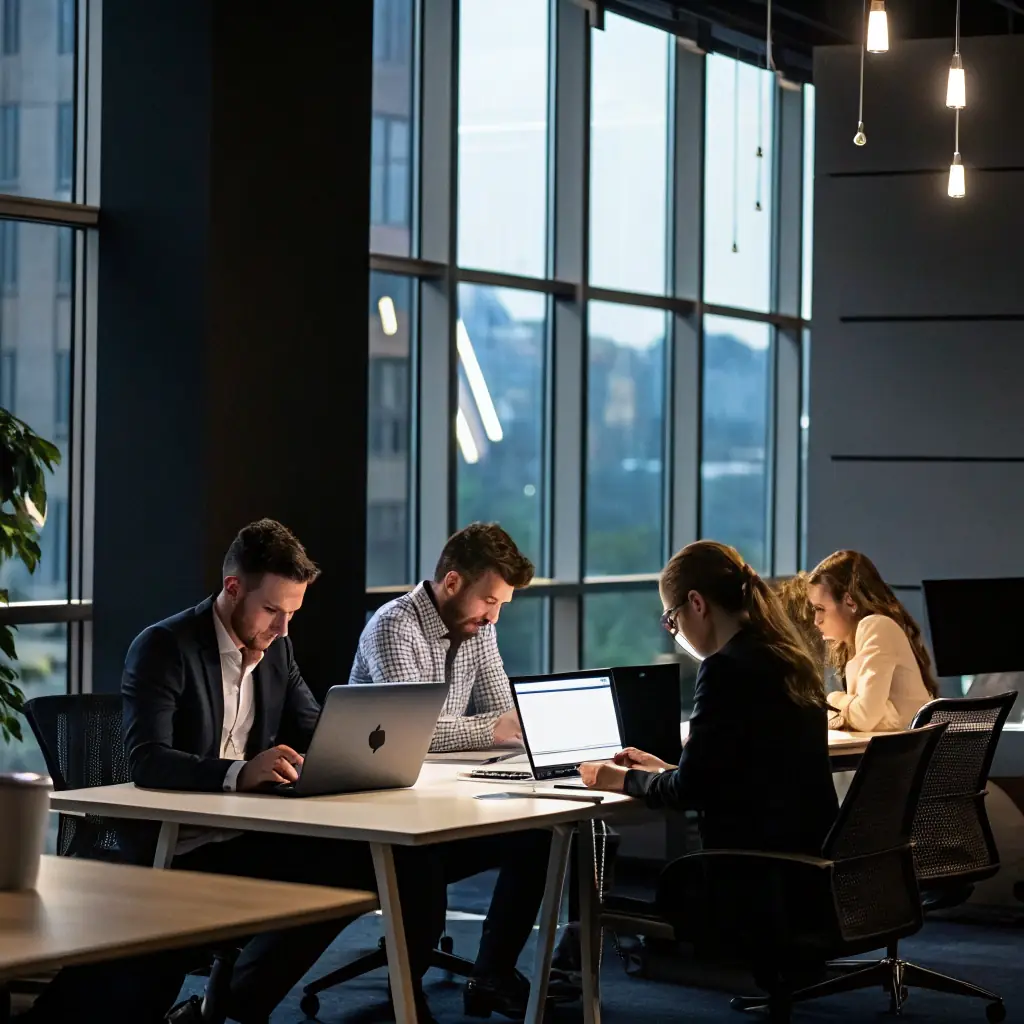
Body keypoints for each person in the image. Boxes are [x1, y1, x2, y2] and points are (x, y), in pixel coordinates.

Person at [24, 520, 431, 1024]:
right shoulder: (165, 647)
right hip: (174, 847)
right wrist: (239, 772)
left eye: (292, 614)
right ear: (233, 588)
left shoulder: (277, 648)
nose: (283, 628)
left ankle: (231, 1006)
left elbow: (314, 729)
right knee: (145, 969)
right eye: (272, 611)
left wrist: (349, 759)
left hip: (244, 834)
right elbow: (148, 759)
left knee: (363, 865)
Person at [350, 521, 577, 1017]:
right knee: (422, 869)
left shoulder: (478, 630)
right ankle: (405, 994)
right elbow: (413, 734)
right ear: (452, 582)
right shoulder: (394, 627)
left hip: (443, 800)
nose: (494, 616)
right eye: (489, 600)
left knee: (540, 837)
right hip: (386, 812)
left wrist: (511, 729)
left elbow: (502, 712)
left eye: (501, 605)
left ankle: (491, 975)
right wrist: (494, 728)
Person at [579, 540, 839, 861]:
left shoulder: (724, 669)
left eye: (672, 619)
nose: (675, 631)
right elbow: (745, 776)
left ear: (697, 603)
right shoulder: (790, 658)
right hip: (809, 861)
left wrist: (620, 779)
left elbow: (690, 792)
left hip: (752, 864)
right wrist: (666, 770)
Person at [807, 549, 937, 732]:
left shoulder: (876, 626)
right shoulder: (856, 639)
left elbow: (863, 717)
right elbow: (864, 717)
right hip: (897, 745)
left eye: (820, 608)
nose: (816, 620)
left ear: (850, 602)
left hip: (907, 748)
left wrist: (833, 699)